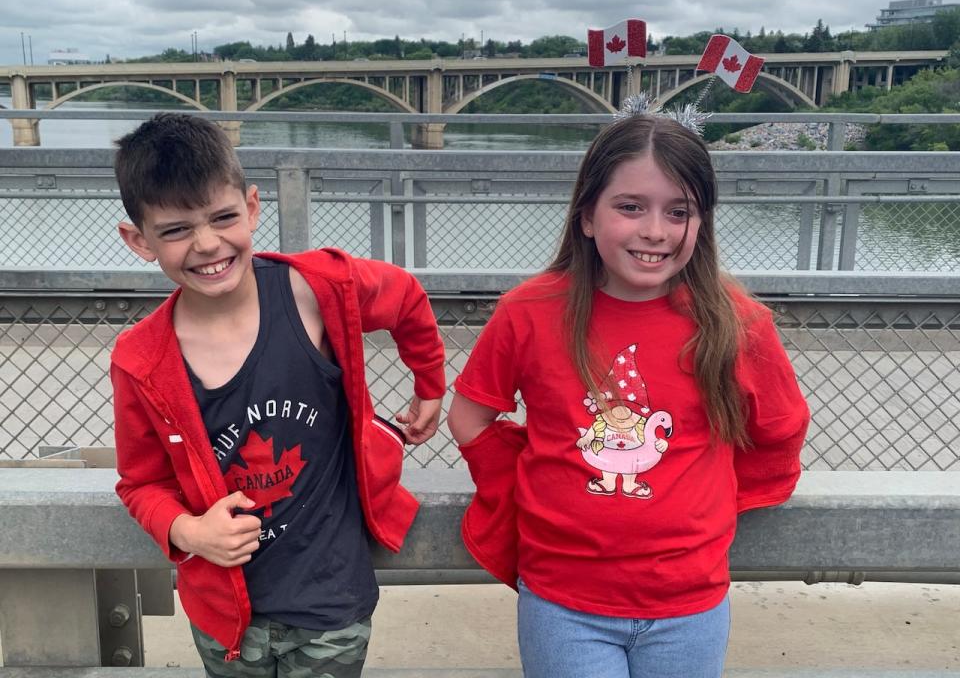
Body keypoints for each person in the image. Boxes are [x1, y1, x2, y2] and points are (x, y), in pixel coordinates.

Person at [447, 112, 810, 678]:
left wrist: (709, 497)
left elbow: (780, 428)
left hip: (689, 601)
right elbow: (470, 415)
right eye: (631, 207)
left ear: (702, 222)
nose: (656, 231)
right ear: (587, 215)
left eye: (679, 211)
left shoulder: (738, 323)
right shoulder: (530, 311)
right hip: (564, 600)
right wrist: (526, 476)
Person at [110, 113, 446, 677]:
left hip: (330, 599)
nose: (208, 244)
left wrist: (429, 383)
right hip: (226, 617)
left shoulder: (316, 291)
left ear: (253, 207)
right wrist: (190, 531)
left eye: (223, 217)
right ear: (138, 240)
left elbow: (405, 296)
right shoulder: (140, 360)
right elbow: (141, 482)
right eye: (176, 230)